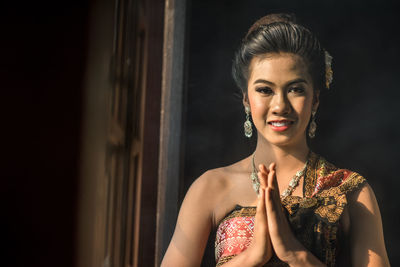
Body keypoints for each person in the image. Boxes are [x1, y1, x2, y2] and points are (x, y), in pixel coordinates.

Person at [161, 13, 390, 266]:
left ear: (315, 99)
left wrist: (295, 253)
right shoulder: (210, 187)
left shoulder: (351, 192)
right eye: (264, 90)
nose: (280, 105)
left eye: (295, 89)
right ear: (246, 99)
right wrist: (252, 256)